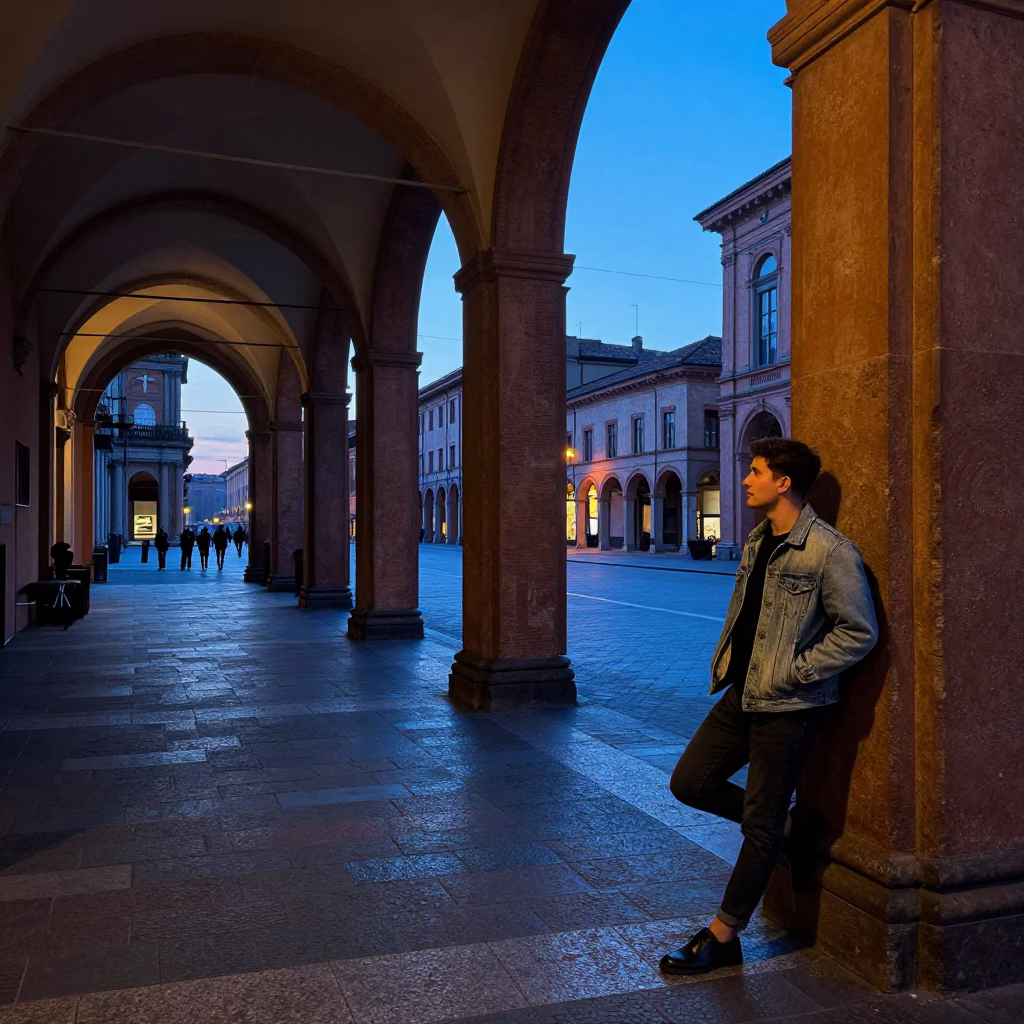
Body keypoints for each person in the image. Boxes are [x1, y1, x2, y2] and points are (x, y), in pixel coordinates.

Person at [659, 438, 878, 976]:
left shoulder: (830, 551)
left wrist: (798, 671)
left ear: (784, 483)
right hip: (742, 694)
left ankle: (722, 934)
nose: (746, 478)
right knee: (690, 782)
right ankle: (785, 829)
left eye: (755, 471)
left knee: (756, 823)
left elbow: (860, 631)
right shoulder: (759, 541)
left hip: (788, 705)